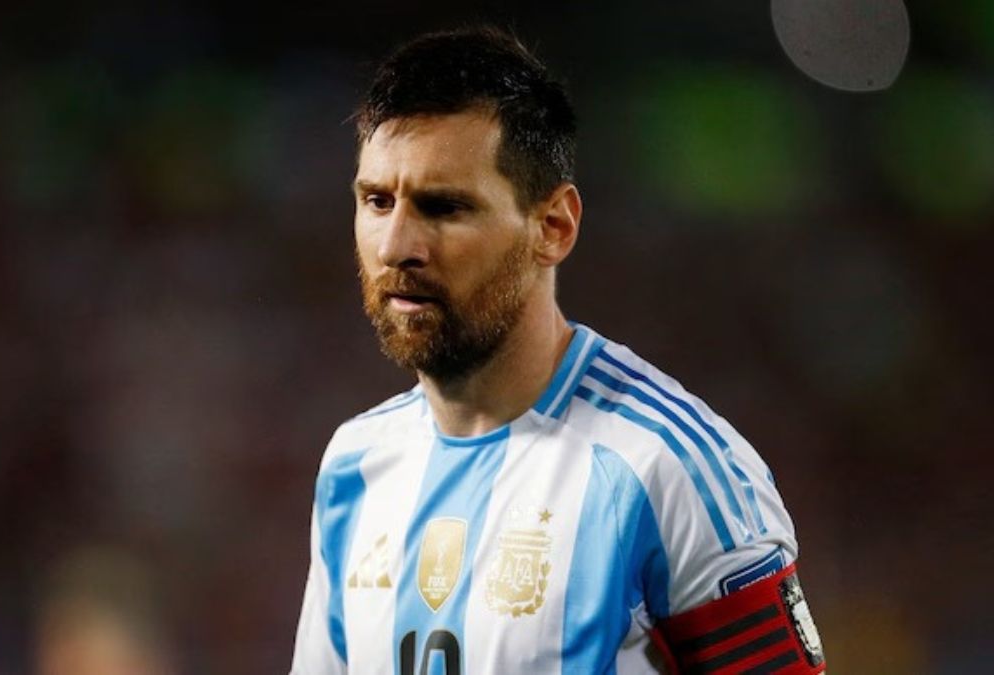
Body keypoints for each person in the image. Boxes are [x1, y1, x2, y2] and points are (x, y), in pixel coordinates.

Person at [291, 27, 825, 674]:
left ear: (553, 227)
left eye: (444, 207)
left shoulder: (669, 470)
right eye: (376, 200)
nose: (396, 244)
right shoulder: (355, 465)